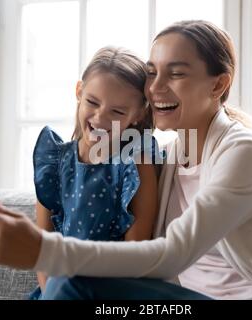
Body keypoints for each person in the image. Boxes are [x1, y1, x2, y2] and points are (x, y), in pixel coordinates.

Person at [0, 20, 252, 300]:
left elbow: (171, 255)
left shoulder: (242, 151)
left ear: (218, 85)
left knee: (72, 283)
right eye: (152, 74)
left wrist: (42, 249)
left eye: (176, 74)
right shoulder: (169, 158)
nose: (155, 89)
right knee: (67, 286)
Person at [29, 47, 161, 298]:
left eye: (118, 112)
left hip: (111, 292)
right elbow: (43, 249)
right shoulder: (54, 161)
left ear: (138, 115)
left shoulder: (134, 165)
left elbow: (136, 254)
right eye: (92, 102)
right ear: (79, 92)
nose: (100, 117)